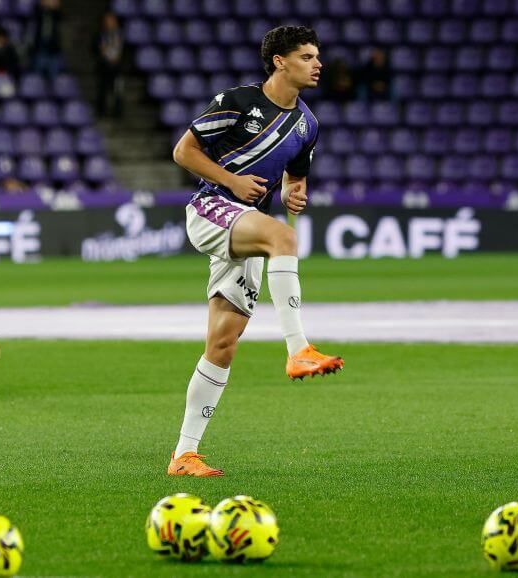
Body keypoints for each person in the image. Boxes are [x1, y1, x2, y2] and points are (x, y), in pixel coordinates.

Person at [167, 26, 344, 477]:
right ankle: (299, 348)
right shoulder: (238, 101)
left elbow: (295, 178)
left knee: (223, 344)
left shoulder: (308, 124)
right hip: (211, 206)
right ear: (279, 61)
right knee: (283, 238)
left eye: (317, 56)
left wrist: (294, 194)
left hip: (245, 226)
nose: (317, 63)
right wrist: (232, 182)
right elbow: (183, 152)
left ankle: (184, 454)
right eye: (306, 56)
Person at [94, 11, 124, 117]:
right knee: (103, 90)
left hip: (117, 69)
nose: (109, 23)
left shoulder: (120, 35)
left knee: (118, 91)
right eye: (107, 21)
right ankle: (101, 112)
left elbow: (122, 51)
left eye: (111, 20)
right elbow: (96, 49)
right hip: (104, 67)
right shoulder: (100, 35)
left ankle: (118, 113)